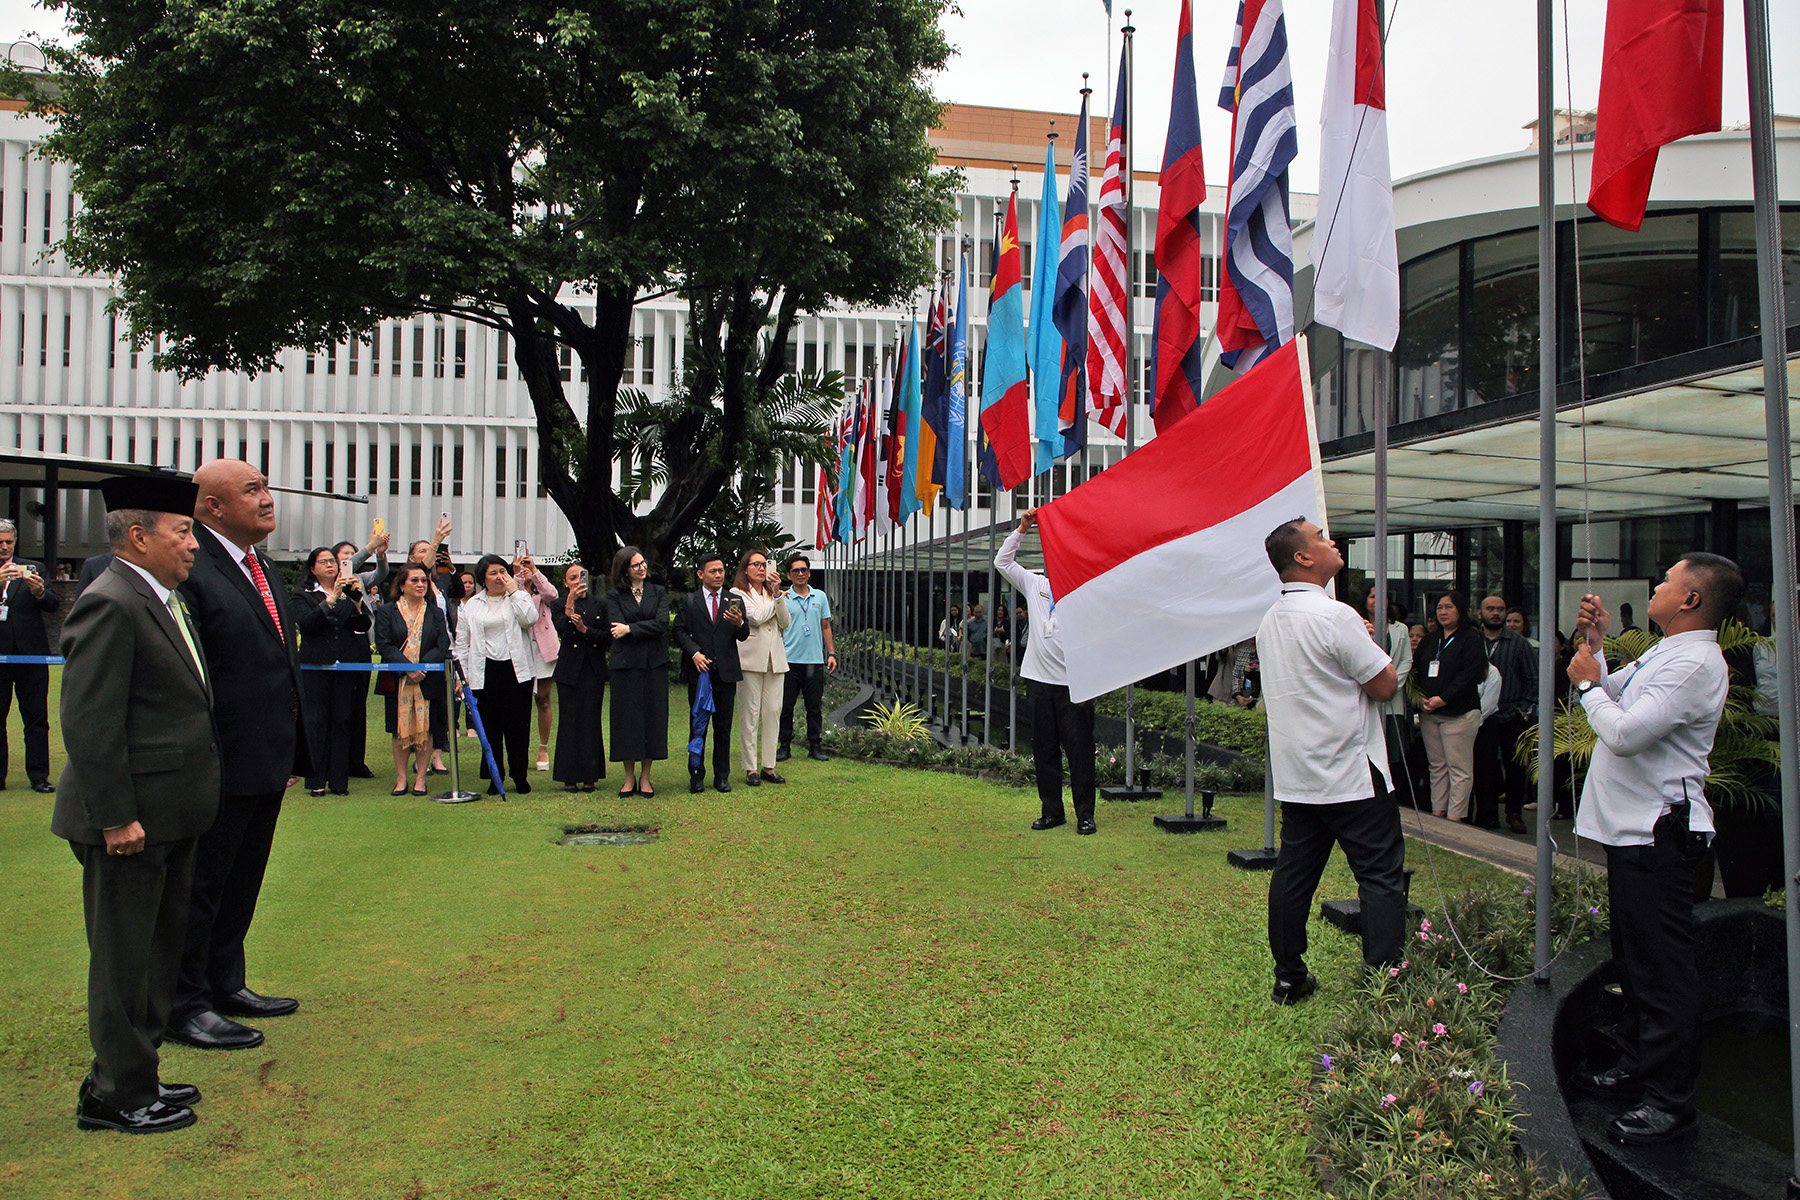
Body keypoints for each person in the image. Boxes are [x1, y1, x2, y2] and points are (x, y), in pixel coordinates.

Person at [54, 476, 216, 1134]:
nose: (193, 545)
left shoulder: (162, 598)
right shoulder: (112, 601)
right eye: (182, 532)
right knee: (124, 962)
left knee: (154, 955)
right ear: (139, 535)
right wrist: (115, 814)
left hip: (170, 815)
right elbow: (90, 722)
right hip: (130, 820)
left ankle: (134, 1073)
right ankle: (117, 1094)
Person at [1568, 553, 1744, 1145]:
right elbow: (1620, 695)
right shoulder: (1670, 650)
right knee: (1636, 959)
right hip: (1632, 829)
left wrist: (1589, 681)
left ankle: (1670, 1102)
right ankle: (1637, 1064)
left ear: (1691, 600)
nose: (1658, 586)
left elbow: (1622, 732)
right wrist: (1598, 651)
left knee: (1663, 970)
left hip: (1657, 830)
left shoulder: (1696, 662)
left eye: (1668, 580)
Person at [169, 459, 312, 1052]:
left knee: (242, 879)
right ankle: (185, 1003)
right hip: (220, 760)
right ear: (212, 507)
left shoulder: (259, 566)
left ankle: (226, 982)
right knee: (202, 884)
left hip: (264, 755)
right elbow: (194, 678)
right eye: (252, 490)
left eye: (265, 486)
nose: (267, 498)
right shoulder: (193, 569)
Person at [1257, 519, 1404, 1006]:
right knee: (1380, 877)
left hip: (1300, 777)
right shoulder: (1334, 616)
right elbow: (1384, 685)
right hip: (1352, 773)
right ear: (1302, 557)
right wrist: (1368, 645)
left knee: (1294, 875)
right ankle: (1382, 983)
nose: (1331, 543)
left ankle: (1288, 975)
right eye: (1320, 537)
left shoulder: (1269, 621)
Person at [998, 508, 1097, 835]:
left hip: (1073, 686)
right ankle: (1052, 812)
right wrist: (1023, 528)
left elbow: (1096, 641)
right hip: (1039, 683)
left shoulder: (1085, 591)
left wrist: (1089, 686)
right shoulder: (1037, 585)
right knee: (1044, 750)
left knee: (1080, 752)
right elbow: (1003, 563)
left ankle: (1085, 814)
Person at [452, 554, 539, 795]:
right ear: (483, 579)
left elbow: (530, 619)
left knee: (518, 727)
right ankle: (495, 776)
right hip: (484, 671)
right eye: (494, 573)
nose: (500, 577)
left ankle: (519, 775)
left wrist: (515, 591)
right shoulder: (472, 605)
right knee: (490, 727)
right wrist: (463, 675)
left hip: (516, 670)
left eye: (503, 571)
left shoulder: (517, 597)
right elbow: (462, 643)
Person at [291, 547, 373, 797]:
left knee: (342, 721)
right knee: (316, 722)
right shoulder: (302, 595)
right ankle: (316, 780)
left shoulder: (349, 593)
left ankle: (339, 781)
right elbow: (308, 624)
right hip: (315, 667)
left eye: (333, 561)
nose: (330, 565)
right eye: (323, 562)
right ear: (313, 568)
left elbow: (362, 626)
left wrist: (357, 601)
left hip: (344, 666)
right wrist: (331, 598)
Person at [372, 563, 450, 796]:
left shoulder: (435, 612)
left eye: (424, 580)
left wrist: (421, 668)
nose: (420, 584)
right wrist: (408, 669)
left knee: (426, 730)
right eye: (414, 580)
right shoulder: (388, 611)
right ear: (402, 585)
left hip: (427, 679)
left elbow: (442, 644)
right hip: (397, 680)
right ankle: (401, 778)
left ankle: (421, 779)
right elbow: (384, 644)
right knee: (398, 731)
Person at [673, 552, 748, 794]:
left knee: (723, 727)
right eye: (713, 571)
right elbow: (680, 631)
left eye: (722, 570)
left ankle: (722, 776)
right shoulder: (690, 601)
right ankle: (696, 775)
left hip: (725, 673)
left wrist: (739, 624)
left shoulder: (733, 600)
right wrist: (694, 653)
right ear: (700, 574)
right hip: (700, 672)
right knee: (698, 725)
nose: (718, 575)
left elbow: (744, 634)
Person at [1411, 592, 1485, 822]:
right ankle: (1437, 812)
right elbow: (1416, 671)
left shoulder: (1471, 639)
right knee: (1437, 767)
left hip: (1460, 713)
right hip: (1430, 713)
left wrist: (1443, 698)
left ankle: (1456, 818)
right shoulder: (1430, 640)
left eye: (1449, 607)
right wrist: (1420, 698)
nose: (1443, 612)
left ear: (1460, 610)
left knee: (1459, 769)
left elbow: (1469, 675)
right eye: (1440, 608)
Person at [602, 547, 669, 797]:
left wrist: (630, 629)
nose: (642, 568)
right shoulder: (615, 596)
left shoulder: (658, 591)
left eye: (643, 562)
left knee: (652, 718)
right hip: (625, 666)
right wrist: (639, 628)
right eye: (635, 565)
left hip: (654, 664)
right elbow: (614, 626)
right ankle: (628, 777)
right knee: (626, 720)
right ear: (624, 570)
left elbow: (662, 623)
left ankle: (646, 777)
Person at [0, 517, 59, 793]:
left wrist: (39, 592)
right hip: (0, 655)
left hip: (32, 656)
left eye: (8, 542)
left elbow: (53, 604)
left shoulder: (35, 568)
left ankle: (39, 777)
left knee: (36, 718)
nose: (4, 547)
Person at [1473, 594, 1538, 833]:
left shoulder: (1519, 643)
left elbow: (1533, 678)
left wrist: (1523, 709)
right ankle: (1487, 815)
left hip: (1511, 714)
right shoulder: (1473, 640)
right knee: (1484, 767)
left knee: (1515, 767)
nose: (1496, 613)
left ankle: (1514, 813)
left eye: (1500, 609)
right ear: (1480, 613)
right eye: (1490, 609)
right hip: (1482, 716)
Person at [333, 530, 390, 780]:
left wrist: (379, 555)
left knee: (358, 707)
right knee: (340, 708)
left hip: (361, 647)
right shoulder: (336, 580)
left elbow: (381, 574)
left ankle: (357, 761)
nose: (349, 558)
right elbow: (346, 567)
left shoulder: (358, 579)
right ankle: (338, 760)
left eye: (351, 553)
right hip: (338, 649)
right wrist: (368, 547)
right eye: (344, 555)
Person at [731, 548, 790, 787]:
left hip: (775, 659)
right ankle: (750, 768)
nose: (761, 568)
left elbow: (785, 622)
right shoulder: (737, 592)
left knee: (773, 712)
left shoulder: (772, 593)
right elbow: (754, 617)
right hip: (750, 659)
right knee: (750, 714)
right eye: (756, 564)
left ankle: (769, 765)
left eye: (764, 564)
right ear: (746, 569)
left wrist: (777, 596)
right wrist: (776, 600)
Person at [550, 563, 606, 793]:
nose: (577, 581)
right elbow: (562, 630)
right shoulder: (558, 604)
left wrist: (586, 631)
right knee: (569, 722)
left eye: (580, 576)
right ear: (565, 582)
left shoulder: (600, 604)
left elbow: (607, 637)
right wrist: (570, 604)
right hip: (569, 670)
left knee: (590, 721)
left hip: (593, 668)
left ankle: (590, 775)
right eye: (571, 578)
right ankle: (568, 776)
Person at [777, 552, 835, 763]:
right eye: (795, 571)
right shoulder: (783, 598)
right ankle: (784, 746)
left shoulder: (819, 596)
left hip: (814, 661)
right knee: (786, 706)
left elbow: (826, 626)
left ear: (809, 573)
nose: (800, 574)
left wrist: (831, 653)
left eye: (804, 570)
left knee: (814, 707)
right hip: (789, 660)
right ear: (789, 575)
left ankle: (815, 746)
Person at [512, 552, 560, 772]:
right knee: (518, 702)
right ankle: (518, 749)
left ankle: (543, 747)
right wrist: (517, 579)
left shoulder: (541, 595)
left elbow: (552, 594)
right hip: (519, 650)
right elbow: (514, 604)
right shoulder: (513, 590)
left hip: (543, 650)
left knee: (543, 699)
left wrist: (535, 571)